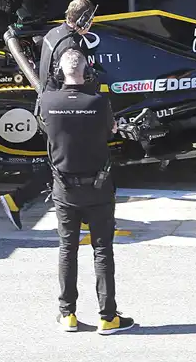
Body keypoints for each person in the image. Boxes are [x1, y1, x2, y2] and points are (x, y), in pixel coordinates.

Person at [42, 49, 133, 335]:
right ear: (87, 72)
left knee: (67, 249)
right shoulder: (99, 102)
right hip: (98, 187)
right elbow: (110, 130)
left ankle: (67, 314)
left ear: (59, 72)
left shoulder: (46, 101)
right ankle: (108, 317)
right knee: (102, 250)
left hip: (64, 188)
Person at [0, 0, 98, 230]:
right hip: (62, 114)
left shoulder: (54, 33)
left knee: (64, 164)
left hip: (49, 109)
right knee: (69, 165)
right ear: (82, 20)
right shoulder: (71, 45)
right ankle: (16, 199)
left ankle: (78, 215)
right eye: (89, 18)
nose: (92, 22)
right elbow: (73, 83)